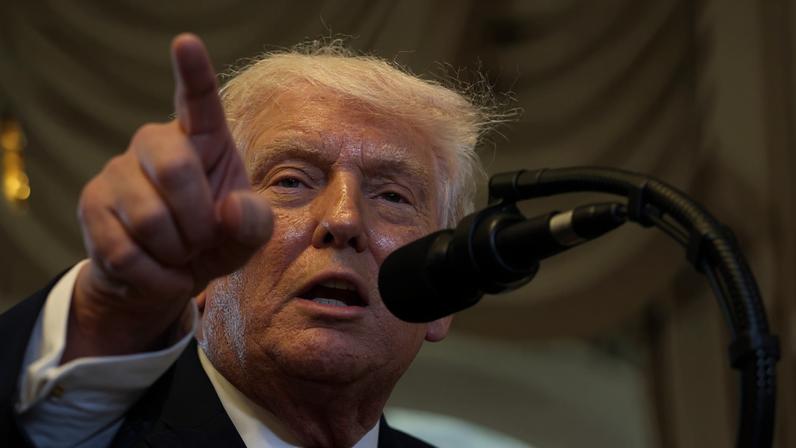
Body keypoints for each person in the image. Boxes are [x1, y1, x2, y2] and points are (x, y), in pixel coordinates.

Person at [0, 33, 493, 447]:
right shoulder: (85, 434)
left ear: (442, 298)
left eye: (392, 195)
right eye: (291, 181)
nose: (344, 219)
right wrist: (99, 320)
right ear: (200, 249)